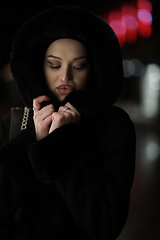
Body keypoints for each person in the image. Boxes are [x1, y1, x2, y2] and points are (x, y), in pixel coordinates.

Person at [0, 6, 136, 240]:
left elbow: (104, 226)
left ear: (93, 69)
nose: (65, 77)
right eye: (54, 64)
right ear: (39, 68)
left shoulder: (114, 125)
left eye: (78, 66)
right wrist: (33, 140)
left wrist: (60, 145)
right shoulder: (17, 122)